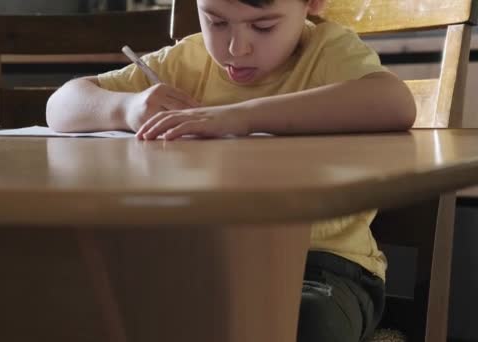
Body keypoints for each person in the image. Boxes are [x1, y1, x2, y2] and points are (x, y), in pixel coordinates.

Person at [46, 0, 416, 340]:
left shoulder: (326, 51)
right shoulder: (184, 62)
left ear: (311, 4)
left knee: (299, 323)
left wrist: (243, 115)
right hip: (202, 261)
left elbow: (394, 102)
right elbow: (61, 105)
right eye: (216, 21)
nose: (237, 48)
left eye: (264, 26)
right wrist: (127, 107)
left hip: (321, 266)